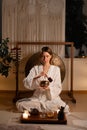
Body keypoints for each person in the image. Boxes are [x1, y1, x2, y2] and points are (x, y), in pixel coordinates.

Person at [16, 46, 69, 113]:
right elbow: (26, 82)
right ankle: (43, 108)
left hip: (51, 98)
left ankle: (38, 109)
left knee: (64, 108)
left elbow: (58, 86)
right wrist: (37, 77)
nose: (45, 58)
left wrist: (49, 89)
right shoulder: (35, 68)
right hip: (38, 97)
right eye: (43, 56)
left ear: (51, 56)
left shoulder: (56, 69)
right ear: (40, 57)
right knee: (20, 105)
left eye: (47, 56)